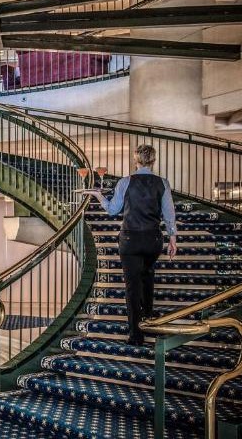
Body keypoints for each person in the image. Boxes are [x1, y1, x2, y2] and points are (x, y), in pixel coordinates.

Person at [83, 144, 178, 346]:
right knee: (148, 274)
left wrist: (99, 195)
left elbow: (112, 210)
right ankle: (149, 314)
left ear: (136, 160)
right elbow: (169, 214)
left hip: (130, 240)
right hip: (153, 240)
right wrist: (172, 238)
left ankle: (136, 334)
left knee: (132, 286)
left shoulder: (125, 182)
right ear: (153, 161)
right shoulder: (163, 183)